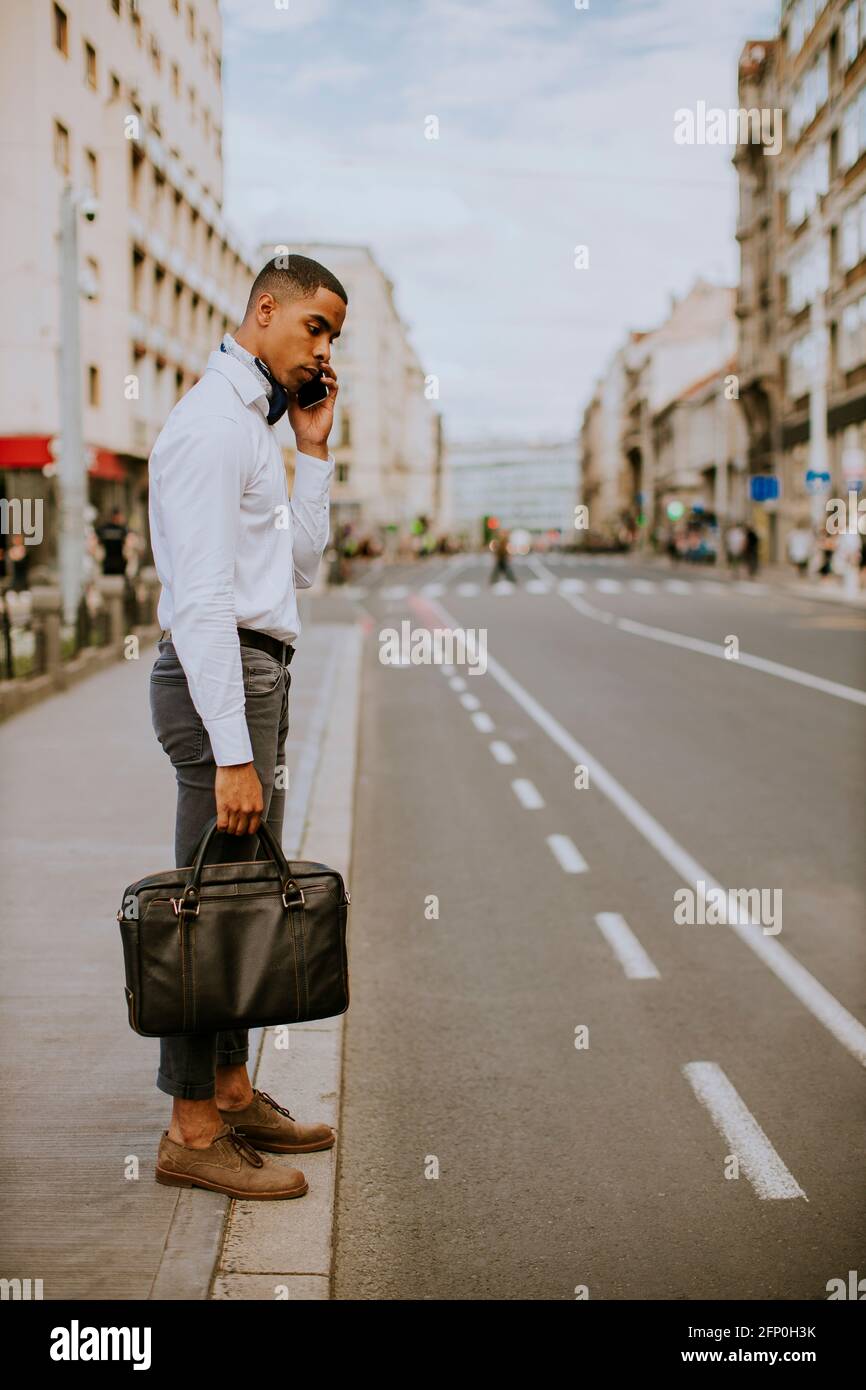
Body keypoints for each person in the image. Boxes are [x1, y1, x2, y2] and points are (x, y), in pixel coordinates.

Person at [147, 254, 347, 1200]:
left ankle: (229, 1092)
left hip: (254, 671)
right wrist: (232, 750)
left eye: (334, 338)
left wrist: (313, 452)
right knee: (202, 914)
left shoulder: (258, 429)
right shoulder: (208, 426)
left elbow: (299, 567)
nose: (324, 350)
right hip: (215, 678)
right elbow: (203, 602)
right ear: (264, 311)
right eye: (315, 328)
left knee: (231, 909)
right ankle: (189, 1127)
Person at [96, 507, 128, 576]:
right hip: (118, 563)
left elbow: (98, 541)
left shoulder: (104, 529)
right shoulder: (123, 530)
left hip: (108, 563)